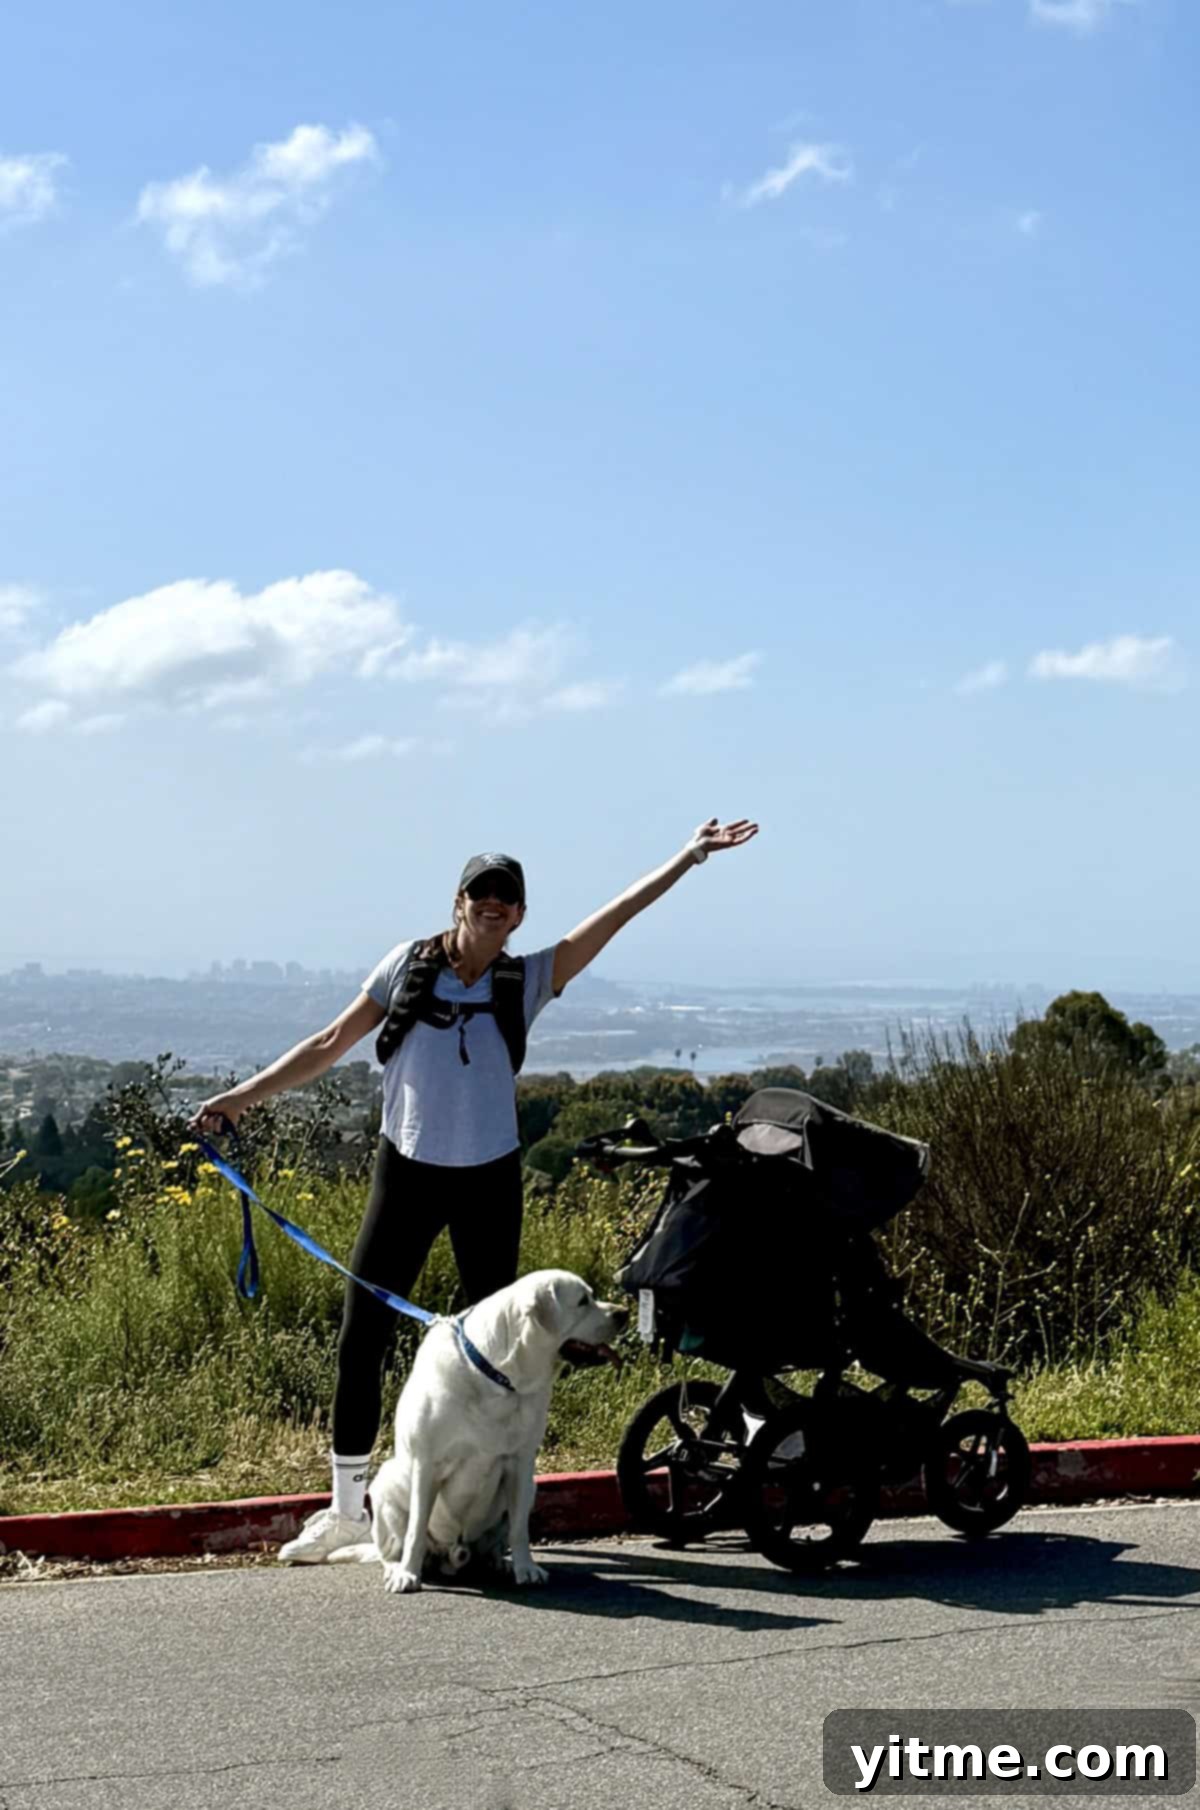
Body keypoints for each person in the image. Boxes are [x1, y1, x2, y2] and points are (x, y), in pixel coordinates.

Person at [189, 816, 758, 1562]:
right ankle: (348, 1508)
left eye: (508, 897)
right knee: (362, 1337)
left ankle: (490, 1515)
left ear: (519, 914)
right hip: (409, 1170)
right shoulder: (405, 967)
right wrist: (239, 1099)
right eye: (481, 892)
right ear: (458, 901)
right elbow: (330, 1044)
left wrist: (687, 858)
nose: (494, 904)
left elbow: (611, 920)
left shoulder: (524, 982)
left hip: (490, 1178)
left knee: (501, 1357)